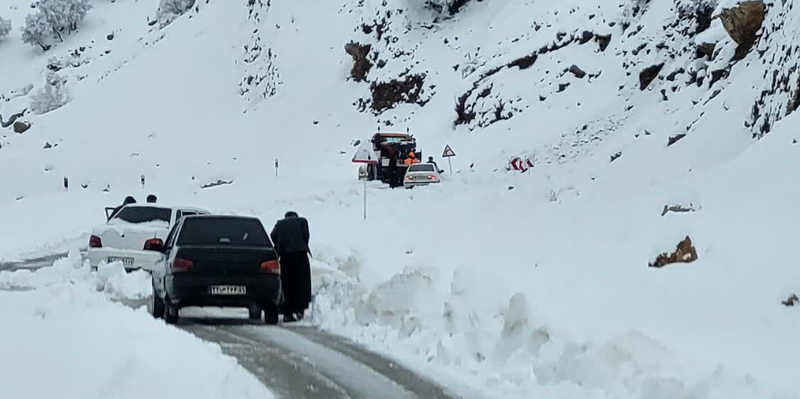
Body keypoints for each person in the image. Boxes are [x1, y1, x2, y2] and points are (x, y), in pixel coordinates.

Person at [270, 211, 311, 322]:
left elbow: (272, 235)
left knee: (287, 284)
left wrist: (281, 245)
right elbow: (306, 236)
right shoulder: (302, 221)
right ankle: (299, 309)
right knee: (301, 284)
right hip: (300, 256)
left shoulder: (280, 224)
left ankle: (287, 313)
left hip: (286, 256)